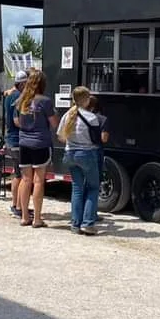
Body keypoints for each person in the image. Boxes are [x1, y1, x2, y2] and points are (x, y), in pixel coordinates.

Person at [58, 86, 108, 235]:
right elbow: (97, 140)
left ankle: (75, 225)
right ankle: (88, 223)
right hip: (87, 154)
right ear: (86, 100)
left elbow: (61, 137)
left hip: (70, 154)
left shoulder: (67, 115)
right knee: (93, 187)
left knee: (77, 189)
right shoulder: (91, 118)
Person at [13, 69, 58, 228]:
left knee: (26, 180)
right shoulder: (45, 101)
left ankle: (24, 216)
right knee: (38, 181)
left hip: (24, 143)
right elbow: (54, 123)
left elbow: (18, 122)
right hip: (40, 143)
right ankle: (37, 218)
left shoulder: (20, 101)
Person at [4, 70, 28, 218]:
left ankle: (14, 205)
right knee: (22, 176)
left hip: (10, 138)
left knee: (16, 174)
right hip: (18, 138)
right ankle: (19, 208)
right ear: (23, 84)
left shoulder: (9, 96)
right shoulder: (20, 97)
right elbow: (17, 121)